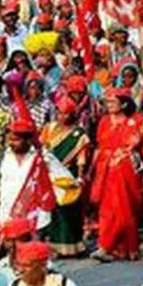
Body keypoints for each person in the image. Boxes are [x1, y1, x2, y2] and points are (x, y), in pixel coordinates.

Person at [90, 88, 143, 262]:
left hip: (126, 168)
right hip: (105, 169)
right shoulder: (103, 122)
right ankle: (109, 247)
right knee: (106, 210)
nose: (108, 106)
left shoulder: (138, 122)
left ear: (124, 104)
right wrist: (90, 170)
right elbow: (98, 147)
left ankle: (111, 247)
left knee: (123, 208)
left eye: (112, 102)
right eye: (107, 102)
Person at [40, 96, 91, 257]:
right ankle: (53, 245)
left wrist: (81, 177)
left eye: (66, 114)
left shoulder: (79, 135)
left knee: (69, 211)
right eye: (60, 113)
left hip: (68, 175)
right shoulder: (49, 128)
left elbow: (81, 159)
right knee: (52, 210)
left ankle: (72, 246)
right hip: (51, 174)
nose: (62, 117)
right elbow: (43, 149)